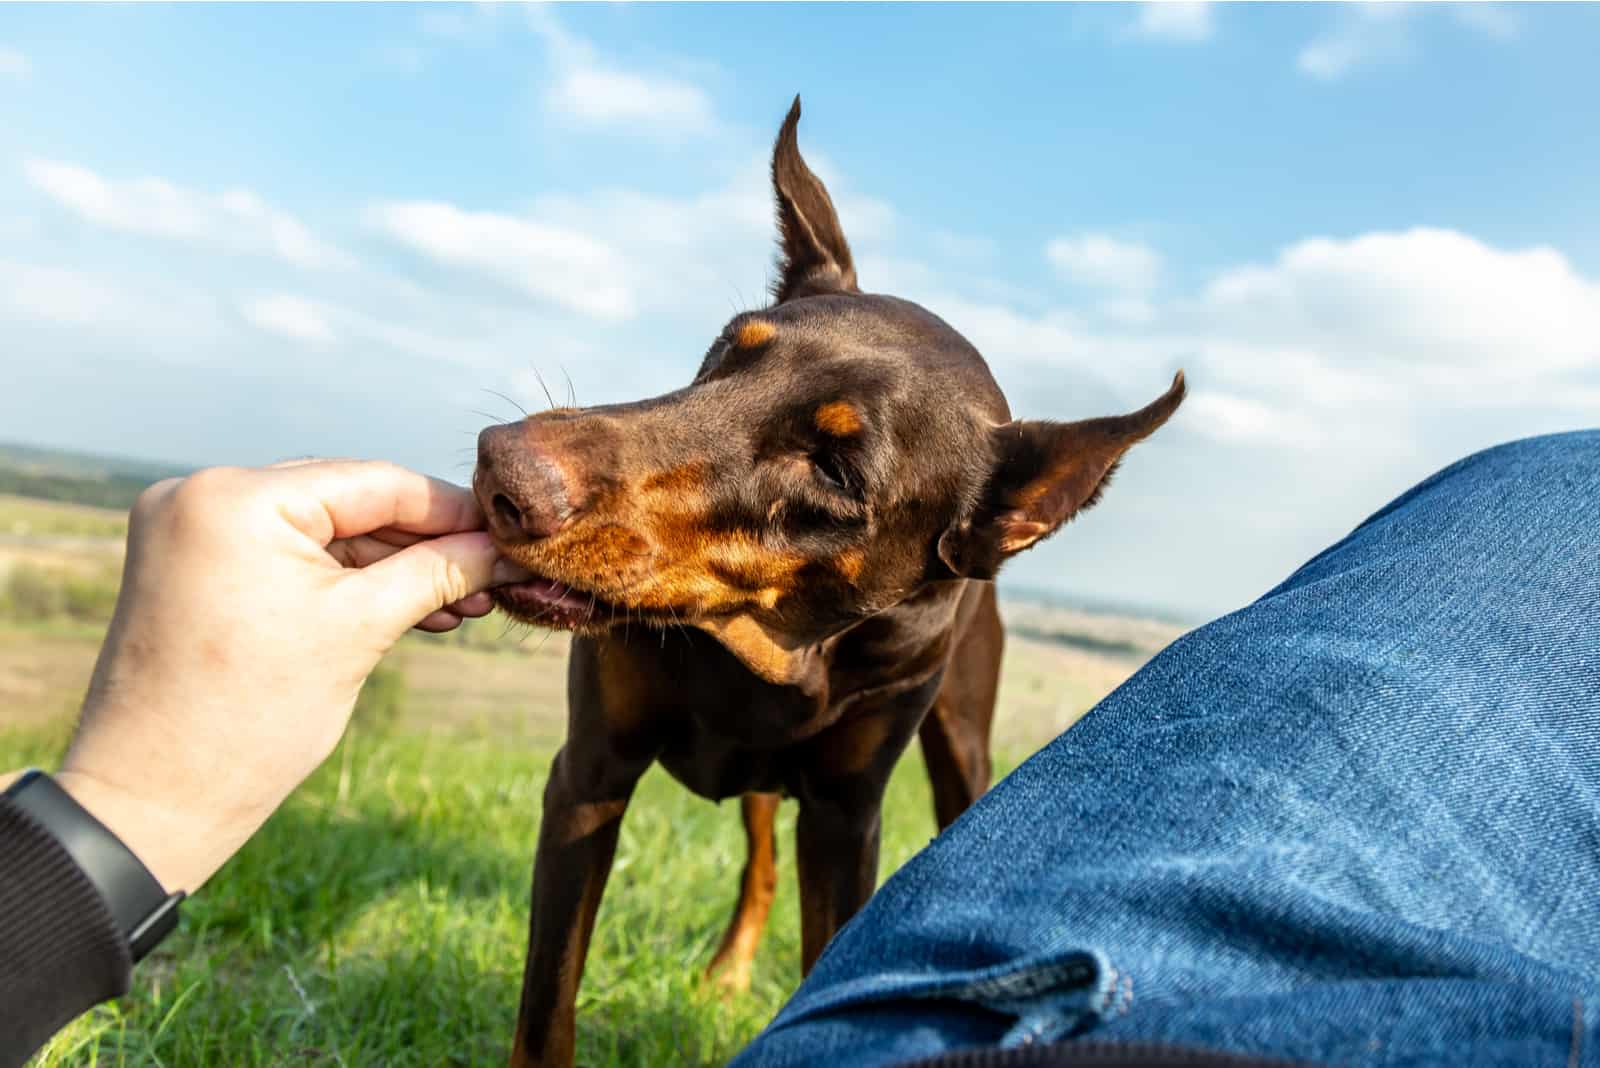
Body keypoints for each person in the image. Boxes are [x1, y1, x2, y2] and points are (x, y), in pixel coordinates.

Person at [3, 433, 1597, 1067]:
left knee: (946, 811)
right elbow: (588, 803)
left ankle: (805, 955)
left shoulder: (932, 611)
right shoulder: (638, 599)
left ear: (1005, 531)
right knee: (1554, 498)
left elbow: (884, 821)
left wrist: (104, 820)